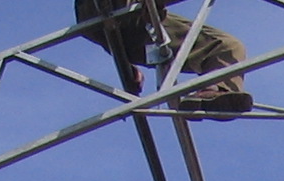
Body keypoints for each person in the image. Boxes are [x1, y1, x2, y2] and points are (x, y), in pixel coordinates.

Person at [74, 1, 254, 114]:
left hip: (138, 24)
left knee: (228, 46)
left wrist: (125, 65)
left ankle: (214, 92)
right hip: (103, 7)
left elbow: (110, 33)